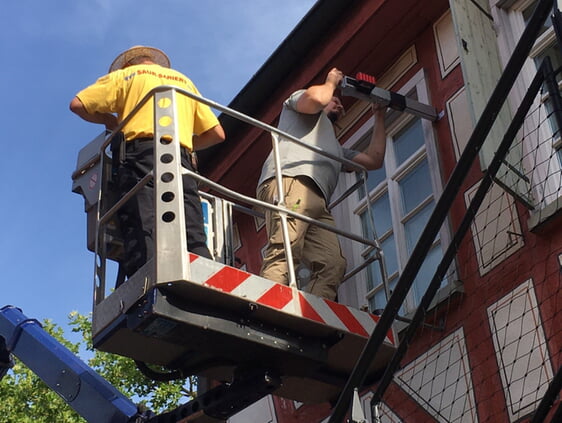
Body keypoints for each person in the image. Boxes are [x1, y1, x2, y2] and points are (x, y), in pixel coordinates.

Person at [70, 46, 225, 281]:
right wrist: (187, 144)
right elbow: (217, 134)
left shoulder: (124, 76)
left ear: (128, 64)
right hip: (181, 158)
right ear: (153, 61)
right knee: (190, 222)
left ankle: (148, 280)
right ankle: (204, 278)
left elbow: (78, 104)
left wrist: (111, 122)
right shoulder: (183, 80)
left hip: (140, 153)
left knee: (143, 219)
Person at [256, 67, 387, 301]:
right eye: (335, 101)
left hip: (317, 203)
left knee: (332, 264)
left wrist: (379, 115)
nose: (340, 105)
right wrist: (331, 82)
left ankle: (314, 317)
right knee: (286, 247)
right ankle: (266, 307)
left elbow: (374, 160)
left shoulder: (335, 148)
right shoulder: (297, 105)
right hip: (293, 181)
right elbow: (316, 98)